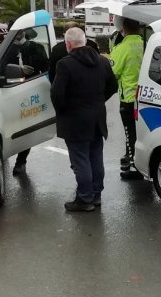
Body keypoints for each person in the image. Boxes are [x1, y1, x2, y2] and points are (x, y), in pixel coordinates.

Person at [50, 27, 118, 212]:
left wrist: (65, 110)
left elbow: (57, 94)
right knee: (96, 157)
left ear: (68, 45)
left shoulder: (65, 64)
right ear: (85, 42)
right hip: (97, 118)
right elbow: (113, 85)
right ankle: (96, 195)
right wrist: (98, 101)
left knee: (80, 160)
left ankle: (84, 199)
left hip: (75, 120)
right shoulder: (102, 61)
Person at [12, 28, 50, 176]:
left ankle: (21, 161)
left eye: (20, 31)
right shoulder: (5, 49)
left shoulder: (36, 47)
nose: (18, 34)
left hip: (30, 93)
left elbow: (46, 69)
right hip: (9, 91)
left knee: (25, 128)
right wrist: (18, 69)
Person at [110, 17, 144, 179]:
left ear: (123, 27)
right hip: (145, 97)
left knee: (129, 131)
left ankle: (133, 165)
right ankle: (131, 156)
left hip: (129, 98)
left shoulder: (122, 48)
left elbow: (112, 73)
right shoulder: (145, 44)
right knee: (138, 132)